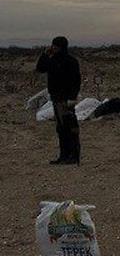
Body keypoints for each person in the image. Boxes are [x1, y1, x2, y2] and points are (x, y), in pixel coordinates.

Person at [37, 36, 82, 165]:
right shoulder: (52, 60)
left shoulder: (71, 61)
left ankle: (73, 155)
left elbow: (76, 81)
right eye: (53, 46)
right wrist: (44, 55)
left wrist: (72, 97)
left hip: (66, 99)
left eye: (55, 46)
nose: (53, 48)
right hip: (57, 98)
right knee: (61, 128)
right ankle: (64, 155)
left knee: (70, 127)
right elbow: (40, 68)